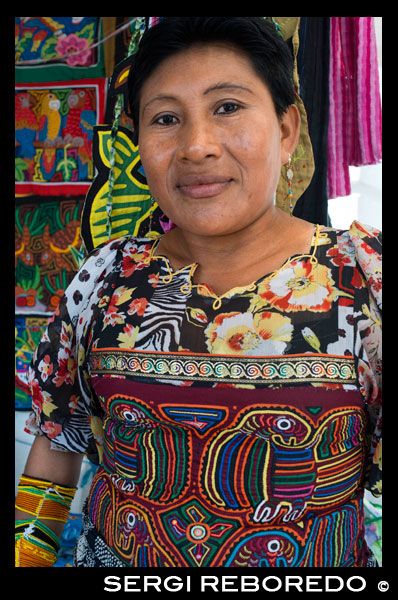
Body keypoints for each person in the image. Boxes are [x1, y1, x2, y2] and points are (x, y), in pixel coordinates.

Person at [15, 17, 381, 568]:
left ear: (286, 130)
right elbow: (57, 437)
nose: (196, 146)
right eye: (166, 118)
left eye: (228, 107)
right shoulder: (106, 277)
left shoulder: (363, 278)